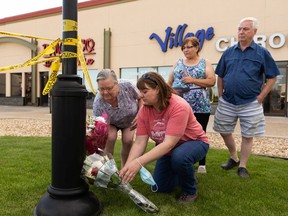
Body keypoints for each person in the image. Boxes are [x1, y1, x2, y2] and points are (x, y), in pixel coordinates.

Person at [119, 72, 209, 204]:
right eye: (140, 91)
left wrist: (138, 163)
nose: (140, 95)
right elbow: (139, 142)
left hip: (194, 142)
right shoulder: (144, 110)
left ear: (157, 89)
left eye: (145, 91)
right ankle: (183, 173)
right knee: (161, 188)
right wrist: (127, 167)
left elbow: (168, 144)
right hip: (169, 148)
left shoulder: (179, 106)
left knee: (180, 158)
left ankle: (190, 191)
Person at [213, 17, 280, 178]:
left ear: (254, 32)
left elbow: (272, 77)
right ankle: (234, 157)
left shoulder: (262, 53)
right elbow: (220, 75)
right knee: (223, 130)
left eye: (246, 29)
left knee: (247, 135)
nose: (241, 32)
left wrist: (261, 97)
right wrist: (220, 95)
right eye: (239, 29)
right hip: (227, 101)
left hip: (250, 102)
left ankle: (242, 166)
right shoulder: (229, 52)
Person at [168, 36, 215, 174]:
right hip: (178, 102)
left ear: (197, 47)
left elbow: (212, 81)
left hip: (199, 104)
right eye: (183, 47)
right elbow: (169, 82)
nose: (186, 50)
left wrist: (192, 80)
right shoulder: (178, 63)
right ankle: (177, 159)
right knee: (178, 131)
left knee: (200, 132)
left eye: (189, 47)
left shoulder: (205, 62)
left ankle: (202, 164)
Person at [93, 69, 142, 167]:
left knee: (128, 140)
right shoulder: (98, 102)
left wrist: (140, 114)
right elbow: (99, 123)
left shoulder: (128, 86)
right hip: (110, 122)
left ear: (117, 84)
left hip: (129, 119)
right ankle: (108, 167)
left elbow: (141, 98)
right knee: (110, 138)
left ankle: (125, 167)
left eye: (109, 88)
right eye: (101, 89)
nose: (105, 92)